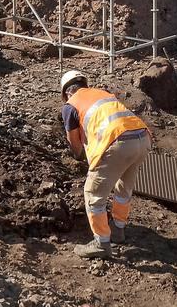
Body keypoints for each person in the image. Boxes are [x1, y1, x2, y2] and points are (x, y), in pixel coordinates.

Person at [59, 70, 151, 259]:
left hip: (118, 143)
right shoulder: (101, 93)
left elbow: (74, 143)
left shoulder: (70, 106)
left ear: (67, 92)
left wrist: (78, 156)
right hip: (142, 137)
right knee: (123, 188)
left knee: (93, 194)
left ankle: (101, 243)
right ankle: (118, 229)